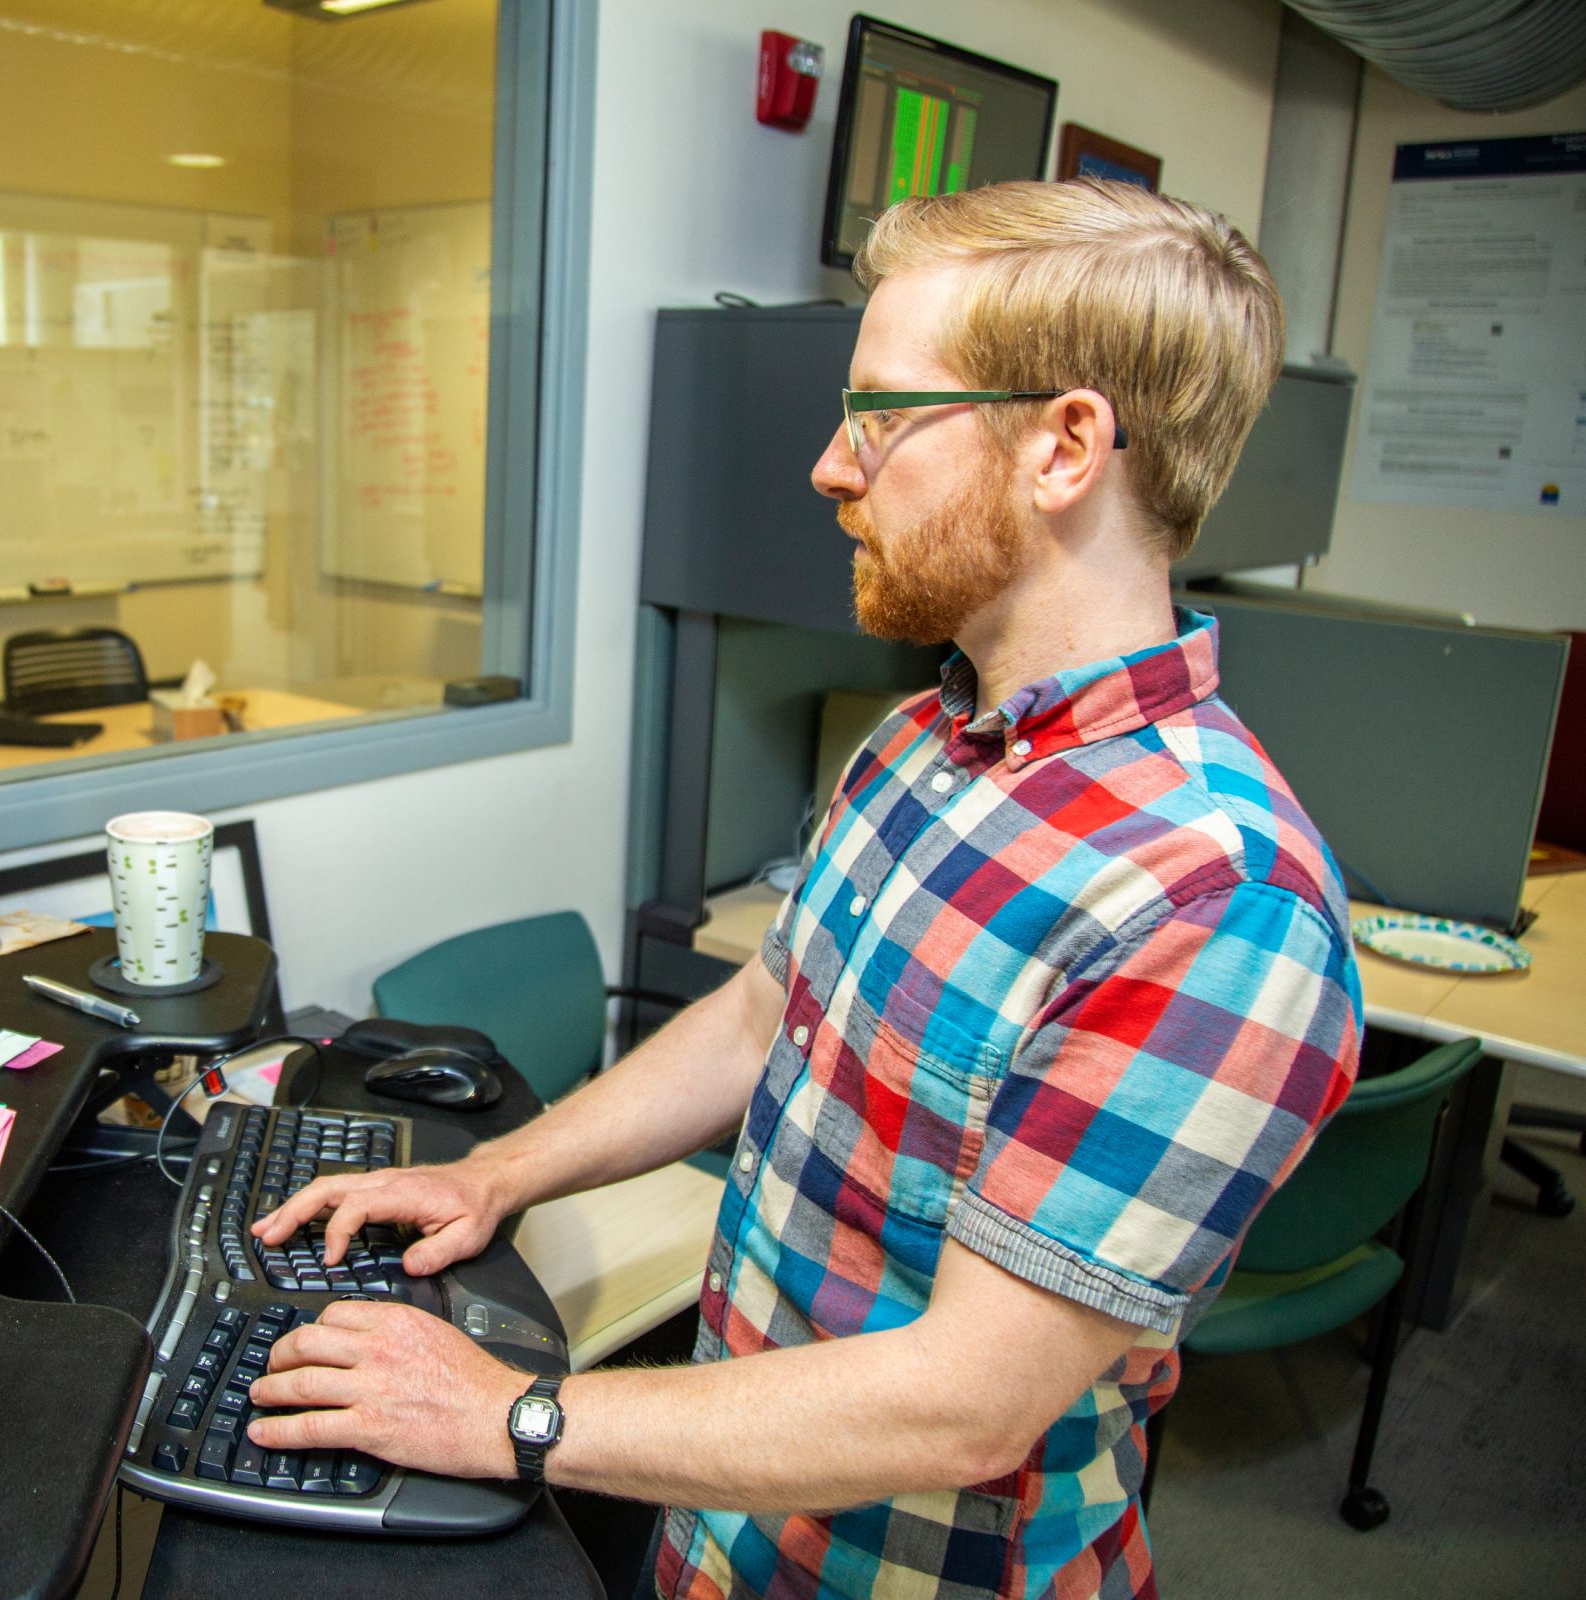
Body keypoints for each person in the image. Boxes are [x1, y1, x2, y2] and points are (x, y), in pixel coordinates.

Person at [248, 178, 1365, 1599]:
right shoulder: (922, 746)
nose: (834, 466)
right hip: (722, 1523)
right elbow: (765, 1010)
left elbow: (968, 1401)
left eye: (884, 415)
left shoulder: (1217, 904)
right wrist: (497, 1173)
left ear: (1067, 444)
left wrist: (504, 1416)